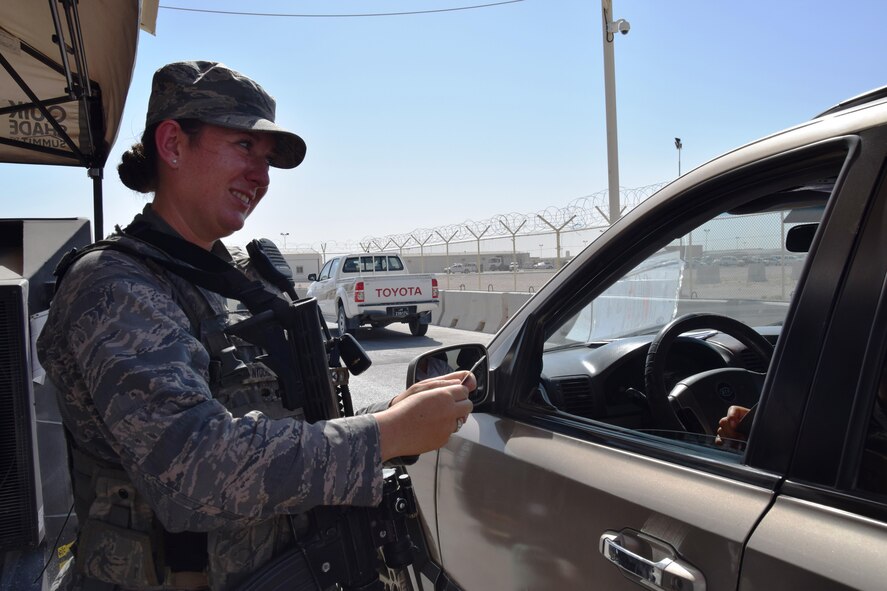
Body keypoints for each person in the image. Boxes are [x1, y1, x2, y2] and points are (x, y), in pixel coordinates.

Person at [37, 60, 475, 591]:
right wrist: (383, 437)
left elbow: (271, 425)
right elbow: (196, 469)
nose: (261, 177)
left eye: (267, 160)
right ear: (173, 144)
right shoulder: (114, 287)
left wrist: (394, 416)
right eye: (245, 147)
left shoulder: (225, 283)